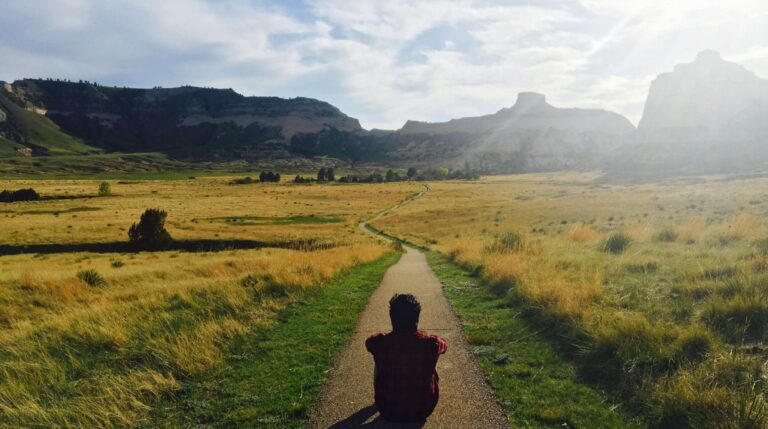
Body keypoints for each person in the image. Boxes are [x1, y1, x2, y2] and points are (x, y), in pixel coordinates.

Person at [365, 294, 448, 423]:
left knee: (378, 358)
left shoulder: (379, 342)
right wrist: (423, 335)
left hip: (387, 410)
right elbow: (444, 346)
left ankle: (385, 396)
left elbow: (368, 343)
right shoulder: (431, 343)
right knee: (431, 357)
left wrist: (388, 337)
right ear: (417, 318)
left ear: (392, 318)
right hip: (423, 409)